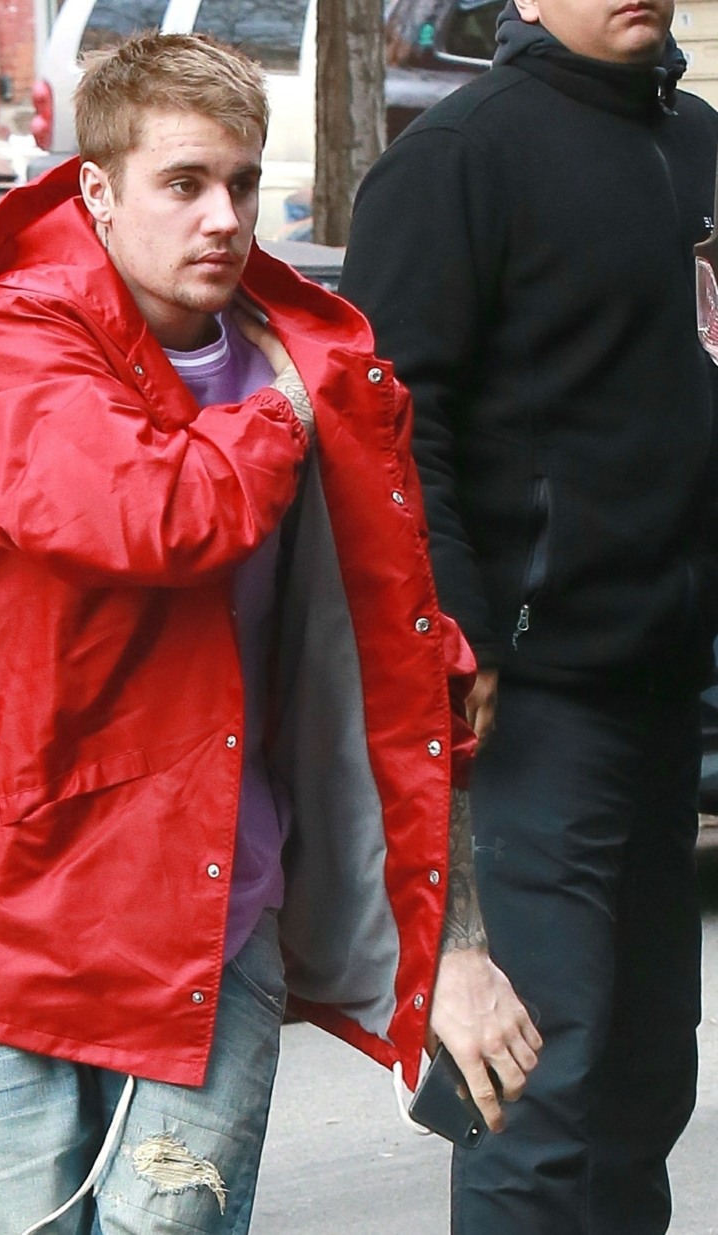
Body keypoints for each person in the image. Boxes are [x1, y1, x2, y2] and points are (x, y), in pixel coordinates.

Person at [0, 32, 540, 1235]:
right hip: (10, 916)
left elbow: (406, 675)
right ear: (97, 190)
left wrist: (452, 943)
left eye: (240, 182)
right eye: (183, 183)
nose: (224, 217)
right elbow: (150, 513)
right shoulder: (15, 342)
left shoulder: (312, 367)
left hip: (212, 914)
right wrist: (285, 415)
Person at [340, 2, 718, 1233]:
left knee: (645, 1079)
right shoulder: (458, 159)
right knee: (532, 1088)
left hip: (667, 683)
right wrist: (455, 633)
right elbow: (391, 428)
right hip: (530, 701)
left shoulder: (694, 141)